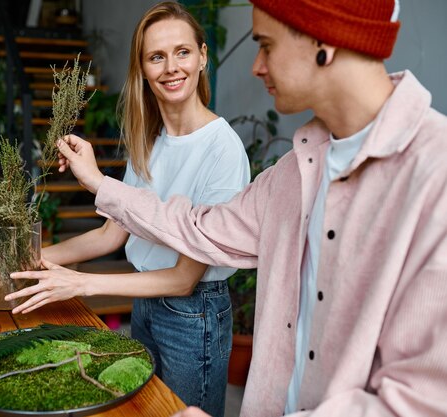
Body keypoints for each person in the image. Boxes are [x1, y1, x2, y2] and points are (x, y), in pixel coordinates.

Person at [50, 1, 447, 416]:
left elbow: (419, 403)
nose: (257, 66)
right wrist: (98, 183)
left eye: (266, 45)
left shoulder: (435, 176)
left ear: (324, 42)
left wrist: (83, 281)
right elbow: (198, 229)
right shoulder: (292, 174)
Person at [6, 3, 250, 416]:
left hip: (194, 316)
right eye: (157, 56)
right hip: (145, 301)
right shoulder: (150, 140)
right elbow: (112, 234)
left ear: (203, 56)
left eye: (182, 52)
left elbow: (181, 280)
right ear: (143, 68)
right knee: (145, 409)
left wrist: (82, 285)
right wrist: (31, 259)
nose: (171, 67)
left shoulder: (221, 149)